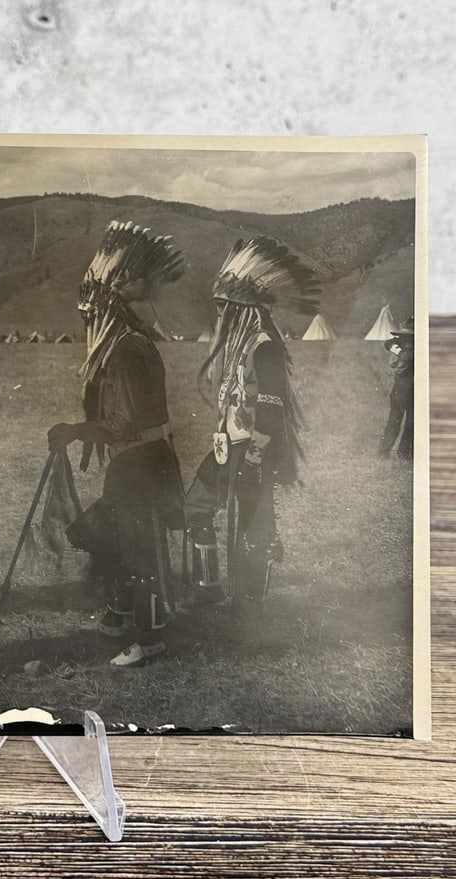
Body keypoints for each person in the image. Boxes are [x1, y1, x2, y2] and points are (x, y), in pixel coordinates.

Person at [47, 220, 186, 668]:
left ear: (104, 310)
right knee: (119, 539)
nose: (85, 318)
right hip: (138, 463)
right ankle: (121, 614)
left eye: (89, 313)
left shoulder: (127, 349)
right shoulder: (124, 344)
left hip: (142, 464)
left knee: (138, 547)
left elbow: (123, 423)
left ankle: (151, 638)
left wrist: (75, 431)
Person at [184, 237, 318, 604]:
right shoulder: (240, 344)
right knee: (196, 505)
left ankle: (250, 599)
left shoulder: (264, 345)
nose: (220, 315)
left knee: (253, 525)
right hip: (231, 445)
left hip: (255, 448)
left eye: (224, 308)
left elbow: (273, 407)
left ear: (241, 309)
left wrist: (258, 453)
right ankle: (207, 588)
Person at [378, 317, 415, 460]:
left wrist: (399, 351)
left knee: (404, 421)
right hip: (403, 387)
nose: (405, 338)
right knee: (400, 421)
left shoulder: (408, 347)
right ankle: (392, 453)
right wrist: (399, 351)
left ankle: (399, 453)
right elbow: (388, 343)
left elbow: (389, 343)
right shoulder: (404, 346)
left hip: (405, 388)